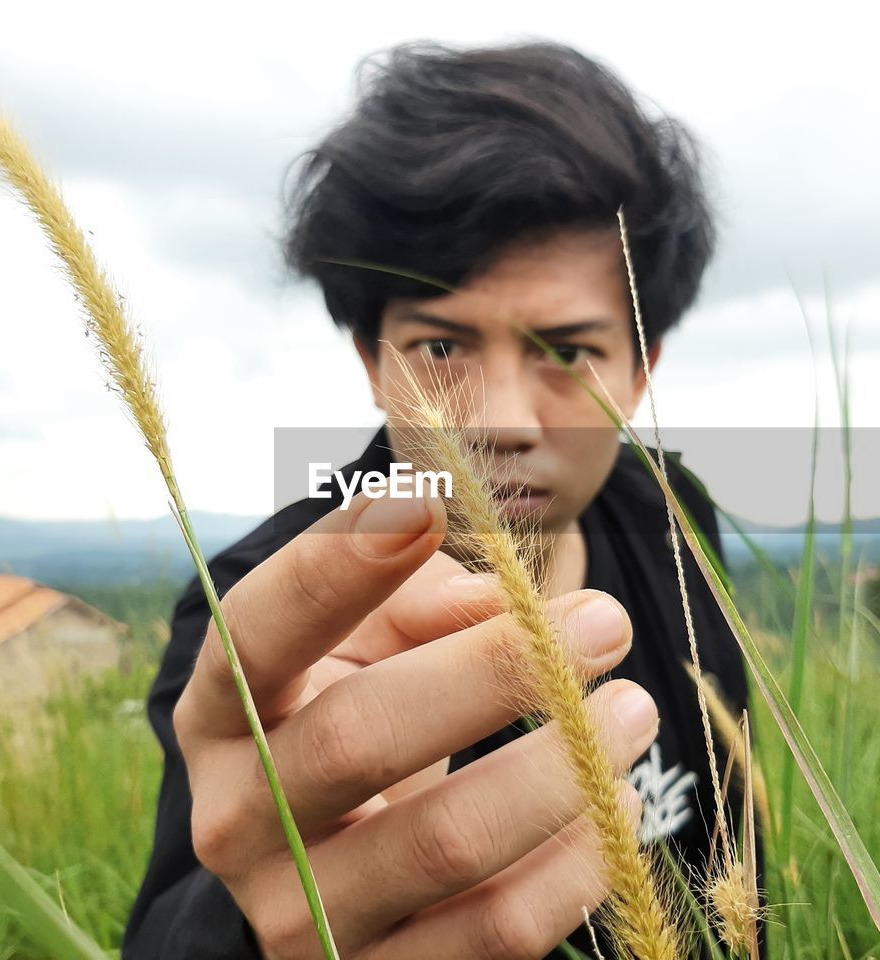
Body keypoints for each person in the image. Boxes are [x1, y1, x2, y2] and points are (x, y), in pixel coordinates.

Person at [124, 39, 765, 960]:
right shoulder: (263, 619)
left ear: (639, 373)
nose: (499, 420)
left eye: (567, 352)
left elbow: (730, 830)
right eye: (439, 348)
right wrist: (260, 934)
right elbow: (185, 911)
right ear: (370, 363)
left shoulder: (671, 514)